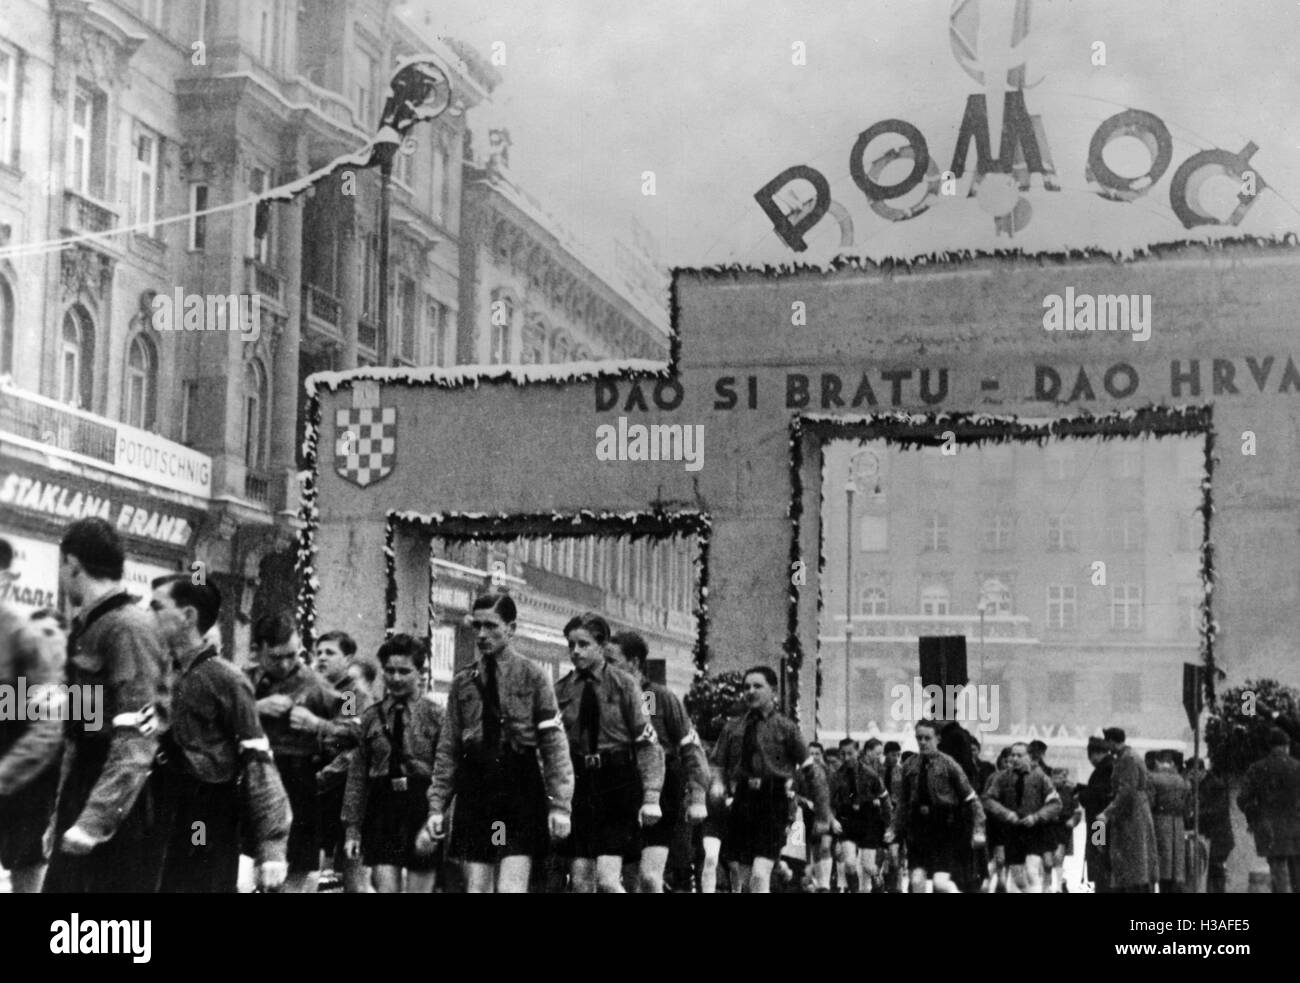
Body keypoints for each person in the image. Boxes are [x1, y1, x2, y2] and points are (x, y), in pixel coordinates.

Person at [44, 518, 171, 894]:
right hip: (87, 785)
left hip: (117, 802)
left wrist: (93, 820)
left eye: (63, 567)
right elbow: (85, 725)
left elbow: (137, 735)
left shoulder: (127, 628)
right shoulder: (93, 626)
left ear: (72, 563)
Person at [418, 593, 573, 892]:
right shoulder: (464, 681)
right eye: (477, 626)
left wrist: (561, 805)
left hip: (518, 787)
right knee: (477, 888)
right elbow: (448, 748)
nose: (481, 634)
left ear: (511, 628)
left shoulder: (533, 676)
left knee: (510, 888)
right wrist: (437, 806)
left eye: (491, 626)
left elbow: (553, 745)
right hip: (476, 788)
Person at [150, 576, 289, 892]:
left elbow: (259, 763)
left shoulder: (227, 680)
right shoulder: (158, 673)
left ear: (188, 617)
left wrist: (272, 848)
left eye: (157, 607)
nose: (149, 615)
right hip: (160, 810)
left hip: (204, 816)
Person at [554, 612, 664, 892]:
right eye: (571, 645)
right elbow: (554, 746)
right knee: (580, 880)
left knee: (606, 880)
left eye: (583, 644)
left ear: (601, 646)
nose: (575, 651)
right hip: (580, 784)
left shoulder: (625, 685)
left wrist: (651, 796)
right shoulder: (562, 689)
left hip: (617, 783)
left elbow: (647, 742)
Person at [247, 610, 349, 893]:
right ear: (258, 650)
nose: (285, 664)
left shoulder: (316, 685)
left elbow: (356, 730)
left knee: (295, 870)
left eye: (292, 655)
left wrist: (318, 725)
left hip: (298, 780)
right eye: (276, 657)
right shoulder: (243, 680)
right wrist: (255, 709)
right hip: (251, 777)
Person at [710, 665, 829, 893]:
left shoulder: (786, 728)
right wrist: (717, 784)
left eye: (758, 686)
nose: (751, 691)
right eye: (746, 687)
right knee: (741, 873)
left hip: (773, 801)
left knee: (759, 871)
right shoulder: (733, 727)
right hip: (742, 799)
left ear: (773, 691)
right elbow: (718, 763)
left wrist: (824, 813)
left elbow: (810, 771)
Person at [609, 630, 709, 892]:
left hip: (662, 787)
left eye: (614, 662)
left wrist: (698, 795)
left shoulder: (654, 697)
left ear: (634, 663)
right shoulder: (607, 698)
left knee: (649, 876)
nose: (608, 669)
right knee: (626, 875)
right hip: (621, 786)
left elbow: (689, 746)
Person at [343, 634, 442, 893]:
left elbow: (447, 775)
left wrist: (435, 825)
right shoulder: (371, 718)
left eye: (404, 671)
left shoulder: (436, 716)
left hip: (421, 806)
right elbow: (357, 776)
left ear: (420, 672)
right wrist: (352, 828)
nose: (396, 678)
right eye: (389, 671)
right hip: (383, 809)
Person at [0, 561, 68, 894]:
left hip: (44, 802)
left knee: (29, 880)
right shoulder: (14, 686)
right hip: (13, 796)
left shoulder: (80, 690)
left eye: (50, 634)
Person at [886, 718, 986, 893]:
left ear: (938, 739)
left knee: (940, 884)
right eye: (919, 738)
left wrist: (978, 829)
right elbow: (902, 803)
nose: (923, 742)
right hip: (918, 829)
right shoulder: (909, 766)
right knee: (916, 882)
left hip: (943, 828)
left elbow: (972, 799)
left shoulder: (949, 764)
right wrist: (894, 830)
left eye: (927, 738)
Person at [313, 630, 373, 893]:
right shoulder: (317, 690)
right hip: (323, 789)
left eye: (330, 653)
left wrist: (323, 775)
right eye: (319, 653)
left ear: (347, 658)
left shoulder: (350, 694)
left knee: (353, 871)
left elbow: (351, 737)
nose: (322, 658)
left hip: (344, 789)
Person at [981, 742, 1061, 893]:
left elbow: (1056, 804)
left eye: (1020, 755)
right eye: (1012, 755)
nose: (1015, 758)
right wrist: (1006, 814)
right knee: (1018, 877)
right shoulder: (1003, 777)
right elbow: (987, 799)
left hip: (1035, 830)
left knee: (1031, 870)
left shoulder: (1040, 777)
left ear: (1029, 757)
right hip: (1012, 831)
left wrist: (1036, 817)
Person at [1237, 727, 1300, 893]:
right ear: (1286, 746)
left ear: (1270, 747)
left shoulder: (1258, 768)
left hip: (1269, 830)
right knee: (1297, 876)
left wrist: (1255, 817)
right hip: (1296, 829)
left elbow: (1242, 799)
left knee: (1278, 877)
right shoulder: (1297, 767)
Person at [1097, 726, 1158, 893]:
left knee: (1134, 863)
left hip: (1131, 816)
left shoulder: (1127, 758)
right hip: (1132, 813)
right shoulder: (1128, 756)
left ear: (1111, 741)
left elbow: (1126, 791)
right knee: (1136, 863)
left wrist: (1106, 813)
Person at [831, 737, 891, 893]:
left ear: (857, 752)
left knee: (867, 865)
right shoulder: (837, 776)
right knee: (850, 863)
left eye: (850, 753)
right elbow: (829, 802)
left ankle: (877, 876)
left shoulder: (870, 774)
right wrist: (832, 820)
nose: (846, 758)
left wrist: (888, 825)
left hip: (868, 818)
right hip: (847, 818)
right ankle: (854, 890)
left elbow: (885, 799)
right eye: (842, 754)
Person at [1186, 757, 1234, 893]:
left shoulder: (1214, 785)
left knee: (1215, 872)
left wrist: (1195, 815)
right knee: (1211, 873)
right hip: (1211, 838)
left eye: (1191, 774)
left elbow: (1217, 811)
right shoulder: (1202, 785)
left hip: (1219, 838)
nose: (1189, 778)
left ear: (1199, 771)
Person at [1147, 750, 1189, 893]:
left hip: (1158, 824)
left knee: (1154, 867)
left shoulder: (1153, 778)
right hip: (1177, 826)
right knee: (1172, 870)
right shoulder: (1181, 781)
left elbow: (1149, 803)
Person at [1077, 736, 1115, 893]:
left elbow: (1097, 795)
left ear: (1094, 754)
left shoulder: (1103, 769)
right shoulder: (1108, 767)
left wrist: (1081, 794)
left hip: (1099, 824)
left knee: (1099, 856)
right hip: (1102, 822)